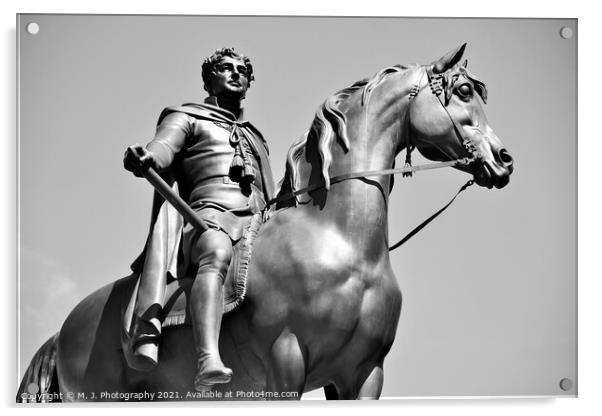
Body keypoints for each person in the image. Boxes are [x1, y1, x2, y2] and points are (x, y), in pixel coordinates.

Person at [123, 47, 275, 390]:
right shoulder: (186, 116)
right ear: (210, 78)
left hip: (258, 223)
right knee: (217, 252)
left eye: (242, 70)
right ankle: (208, 358)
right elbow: (162, 148)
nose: (236, 73)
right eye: (226, 68)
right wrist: (147, 157)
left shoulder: (256, 137)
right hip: (207, 217)